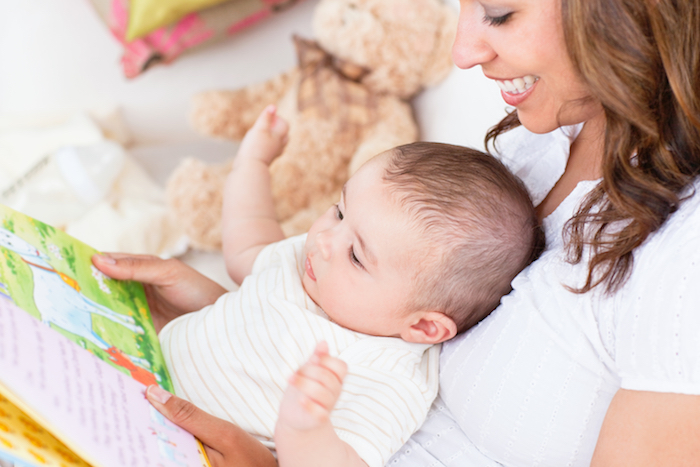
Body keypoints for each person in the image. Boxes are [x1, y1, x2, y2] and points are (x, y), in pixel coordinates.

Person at [92, 0, 700, 464]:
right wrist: (224, 311)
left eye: (499, 13)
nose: (462, 52)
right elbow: (350, 305)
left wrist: (281, 451)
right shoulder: (537, 140)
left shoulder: (682, 262)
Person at [157, 104, 542, 467]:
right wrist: (252, 163)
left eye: (356, 255)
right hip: (139, 359)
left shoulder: (388, 376)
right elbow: (247, 241)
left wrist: (305, 427)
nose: (324, 240)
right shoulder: (306, 265)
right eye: (339, 211)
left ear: (423, 326)